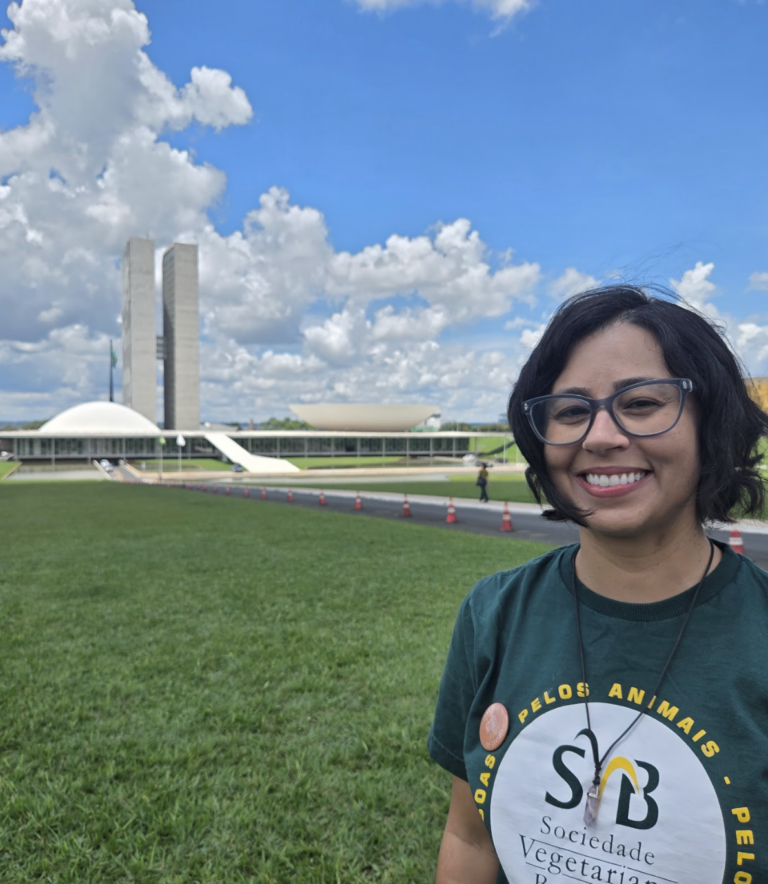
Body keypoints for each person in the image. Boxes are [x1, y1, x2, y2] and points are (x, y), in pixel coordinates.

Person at [428, 285, 768, 884]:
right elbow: (469, 837)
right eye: (570, 411)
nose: (600, 436)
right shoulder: (493, 613)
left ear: (710, 422)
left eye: (641, 403)